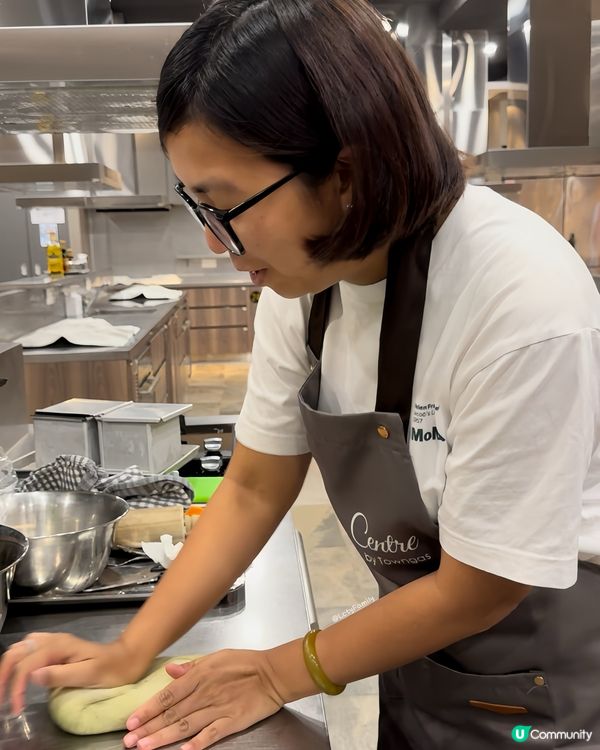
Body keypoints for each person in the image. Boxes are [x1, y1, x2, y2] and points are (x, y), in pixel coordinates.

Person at [2, 1, 600, 748]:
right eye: (201, 211)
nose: (221, 246)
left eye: (227, 208)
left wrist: (281, 671)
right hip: (414, 651)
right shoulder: (307, 281)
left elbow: (482, 586)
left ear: (344, 173)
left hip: (541, 675)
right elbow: (255, 485)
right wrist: (131, 649)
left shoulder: (518, 295)